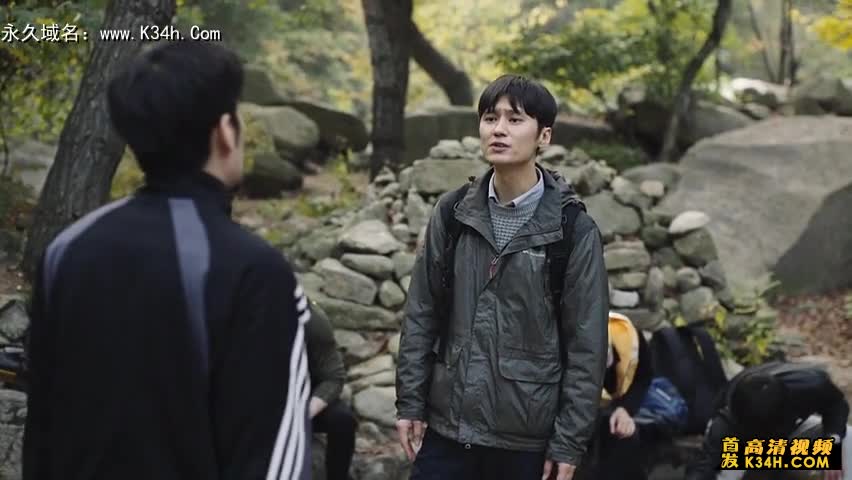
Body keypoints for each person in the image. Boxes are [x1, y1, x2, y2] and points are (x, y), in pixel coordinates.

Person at [22, 41, 311, 480]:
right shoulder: (254, 270)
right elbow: (274, 462)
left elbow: (42, 431)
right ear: (225, 131)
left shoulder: (67, 251)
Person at [395, 74, 609, 480]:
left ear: (544, 136)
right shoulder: (453, 213)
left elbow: (587, 345)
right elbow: (421, 312)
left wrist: (568, 442)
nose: (499, 129)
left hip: (525, 442)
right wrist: (410, 402)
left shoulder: (572, 231)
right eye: (490, 118)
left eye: (515, 119)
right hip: (448, 429)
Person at [686, 361, 851, 480]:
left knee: (847, 439)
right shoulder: (725, 423)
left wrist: (833, 443)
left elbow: (836, 405)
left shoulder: (809, 385)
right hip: (748, 451)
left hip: (789, 437)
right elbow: (705, 467)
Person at [579, 312, 653, 480]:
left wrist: (625, 410)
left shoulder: (628, 337)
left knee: (626, 437)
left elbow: (643, 377)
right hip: (571, 413)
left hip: (613, 410)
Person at [305, 300, 357, 480]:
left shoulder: (313, 320)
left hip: (307, 398)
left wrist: (304, 414)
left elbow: (334, 377)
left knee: (343, 421)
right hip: (260, 402)